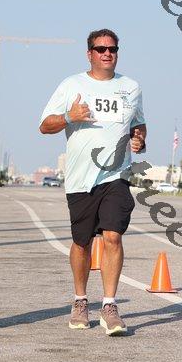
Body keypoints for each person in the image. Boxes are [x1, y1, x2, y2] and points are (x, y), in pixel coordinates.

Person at [39, 29, 147, 336]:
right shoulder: (71, 85)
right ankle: (80, 299)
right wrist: (69, 117)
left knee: (113, 236)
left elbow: (139, 124)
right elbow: (45, 125)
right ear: (90, 54)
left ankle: (110, 306)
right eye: (101, 49)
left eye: (112, 48)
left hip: (116, 175)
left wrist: (139, 140)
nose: (107, 53)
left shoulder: (131, 87)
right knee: (82, 243)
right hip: (80, 179)